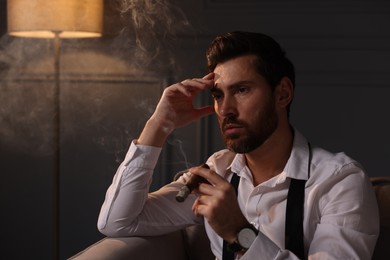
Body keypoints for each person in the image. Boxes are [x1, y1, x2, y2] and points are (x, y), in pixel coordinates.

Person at [97, 31, 379, 259]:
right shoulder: (217, 171)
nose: (226, 109)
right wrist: (158, 125)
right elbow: (117, 222)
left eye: (242, 90)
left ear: (282, 94)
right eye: (218, 95)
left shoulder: (339, 180)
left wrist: (238, 232)